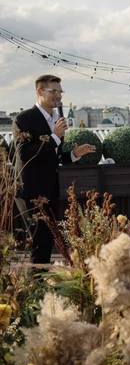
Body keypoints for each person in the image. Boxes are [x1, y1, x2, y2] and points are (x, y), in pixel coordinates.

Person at [12, 75, 96, 264]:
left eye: (60, 92)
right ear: (40, 91)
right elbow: (24, 154)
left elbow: (53, 157)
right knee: (40, 240)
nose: (58, 96)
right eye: (54, 91)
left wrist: (74, 154)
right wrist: (55, 137)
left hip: (49, 190)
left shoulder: (56, 120)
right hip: (30, 191)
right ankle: (37, 286)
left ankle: (40, 284)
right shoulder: (23, 119)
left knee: (48, 239)